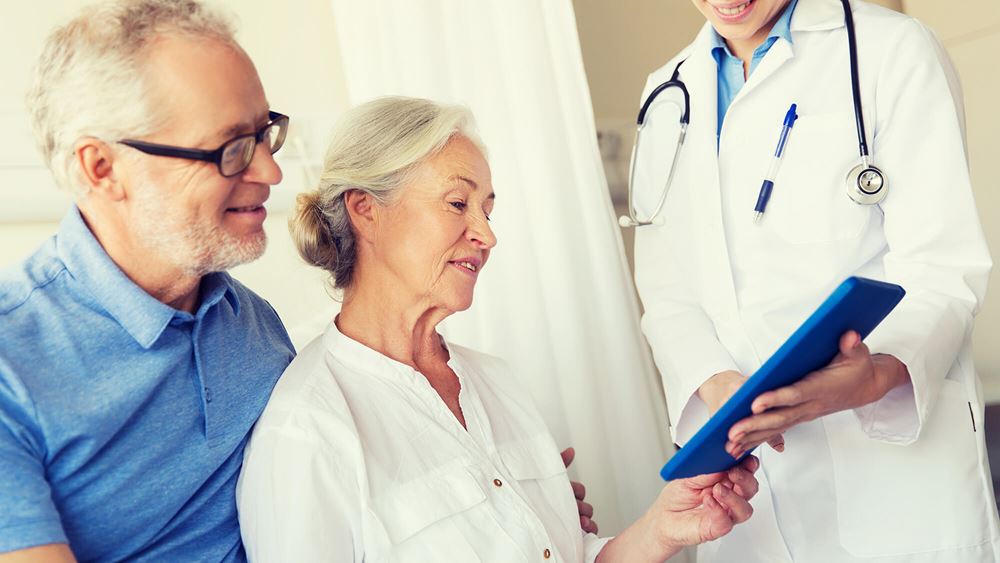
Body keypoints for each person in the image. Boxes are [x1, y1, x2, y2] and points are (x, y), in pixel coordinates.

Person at [235, 96, 761, 562]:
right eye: (458, 204)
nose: (486, 234)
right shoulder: (309, 430)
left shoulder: (495, 382)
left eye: (487, 209)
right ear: (366, 210)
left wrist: (664, 528)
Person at [630, 0, 999, 561]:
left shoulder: (892, 49)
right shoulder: (666, 92)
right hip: (745, 481)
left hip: (891, 467)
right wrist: (719, 386)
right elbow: (667, 293)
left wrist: (876, 374)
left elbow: (943, 266)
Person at [0, 1, 298, 561]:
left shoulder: (254, 325)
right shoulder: (10, 365)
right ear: (102, 168)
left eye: (265, 134)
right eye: (230, 148)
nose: (270, 172)